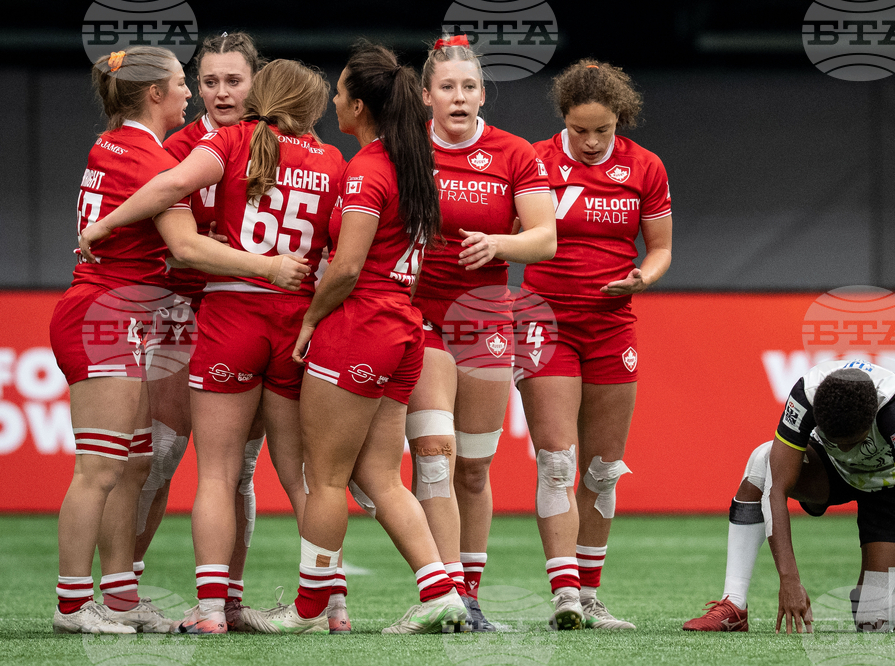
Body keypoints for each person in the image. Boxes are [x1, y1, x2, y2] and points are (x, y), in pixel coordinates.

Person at [79, 58, 341, 634]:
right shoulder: (327, 156)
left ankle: (209, 605)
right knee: (278, 470)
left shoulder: (221, 144)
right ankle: (328, 601)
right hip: (244, 313)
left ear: (258, 87)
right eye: (206, 81)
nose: (220, 91)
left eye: (234, 81)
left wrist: (106, 226)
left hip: (227, 311)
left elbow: (174, 209)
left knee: (224, 471)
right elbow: (343, 248)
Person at [240, 41, 466, 635]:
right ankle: (442, 590)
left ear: (360, 106)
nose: (333, 100)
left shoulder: (368, 167)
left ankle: (309, 610)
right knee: (379, 477)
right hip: (402, 330)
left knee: (328, 478)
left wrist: (312, 319)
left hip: (360, 326)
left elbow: (345, 268)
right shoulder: (413, 162)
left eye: (340, 93)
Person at [404, 34, 555, 631]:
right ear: (427, 96)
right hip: (418, 317)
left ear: (482, 93)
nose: (459, 97)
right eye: (448, 87)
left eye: (469, 87)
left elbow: (543, 238)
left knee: (473, 466)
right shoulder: (406, 149)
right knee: (434, 459)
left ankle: (470, 595)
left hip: (487, 317)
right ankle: (442, 594)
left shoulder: (514, 152)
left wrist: (499, 243)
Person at [517, 59, 673, 630]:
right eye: (579, 129)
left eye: (601, 130)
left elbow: (659, 248)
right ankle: (564, 593)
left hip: (612, 326)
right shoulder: (532, 159)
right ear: (564, 119)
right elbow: (518, 232)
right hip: (544, 322)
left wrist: (645, 277)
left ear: (619, 121)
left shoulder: (645, 168)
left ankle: (590, 594)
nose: (589, 141)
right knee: (557, 462)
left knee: (602, 470)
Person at [683, 360, 895, 635]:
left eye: (854, 443)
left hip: (889, 485)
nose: (847, 451)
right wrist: (789, 580)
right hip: (829, 470)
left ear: (871, 420)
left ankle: (892, 587)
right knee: (763, 460)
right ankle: (734, 604)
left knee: (875, 623)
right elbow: (776, 490)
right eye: (838, 442)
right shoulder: (806, 395)